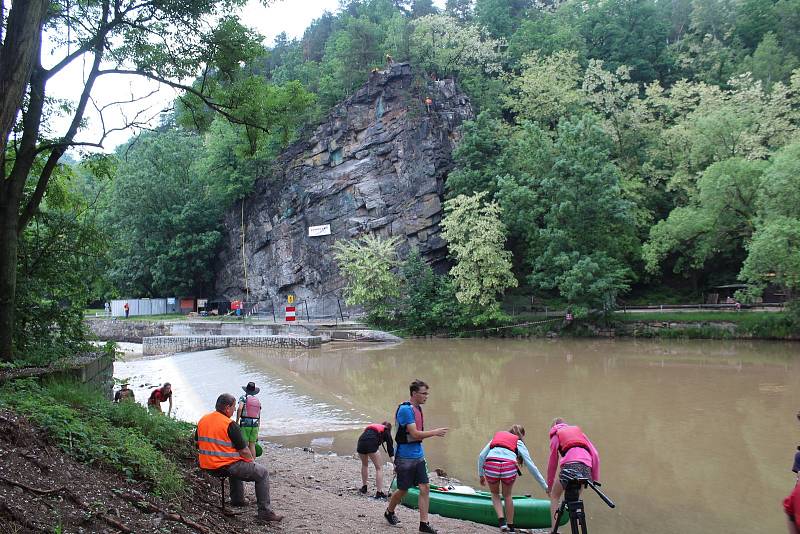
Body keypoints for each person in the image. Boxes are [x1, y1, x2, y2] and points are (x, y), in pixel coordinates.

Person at [196, 393, 284, 523]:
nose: (235, 410)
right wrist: (252, 463)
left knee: (235, 463)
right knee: (262, 473)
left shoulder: (203, 420)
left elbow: (197, 443)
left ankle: (237, 500)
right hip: (224, 466)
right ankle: (265, 512)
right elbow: (244, 451)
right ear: (227, 408)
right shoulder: (229, 424)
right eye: (233, 407)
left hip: (206, 465)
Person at [384, 379, 448, 534]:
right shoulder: (406, 410)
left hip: (418, 455)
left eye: (427, 393)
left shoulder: (417, 408)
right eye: (423, 393)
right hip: (405, 456)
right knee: (403, 489)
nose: (426, 396)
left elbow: (416, 436)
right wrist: (435, 432)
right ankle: (389, 512)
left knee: (424, 487)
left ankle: (423, 524)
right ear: (414, 393)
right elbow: (414, 433)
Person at [478, 424, 548, 532]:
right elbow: (531, 467)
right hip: (508, 466)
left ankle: (502, 522)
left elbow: (482, 456)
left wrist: (481, 474)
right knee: (507, 495)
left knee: (495, 494)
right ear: (521, 436)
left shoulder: (496, 438)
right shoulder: (518, 442)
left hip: (492, 464)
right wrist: (545, 486)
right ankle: (510, 526)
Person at [546, 418, 600, 522]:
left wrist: (549, 485)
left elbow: (552, 463)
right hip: (586, 467)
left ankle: (554, 530)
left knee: (554, 495)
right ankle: (575, 522)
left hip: (570, 466)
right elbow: (595, 455)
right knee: (575, 500)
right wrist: (595, 478)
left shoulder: (556, 435)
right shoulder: (580, 434)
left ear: (553, 427)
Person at [357, 421, 394, 499]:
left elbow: (367, 436)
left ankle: (364, 488)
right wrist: (395, 464)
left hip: (361, 442)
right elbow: (390, 450)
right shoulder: (386, 430)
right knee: (379, 468)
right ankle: (379, 493)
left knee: (364, 464)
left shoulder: (374, 428)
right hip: (370, 443)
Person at [237, 382, 262, 458]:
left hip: (245, 423)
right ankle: (253, 462)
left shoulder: (243, 398)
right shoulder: (257, 401)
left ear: (246, 390)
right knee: (252, 444)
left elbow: (240, 408)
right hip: (255, 424)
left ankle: (246, 461)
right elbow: (259, 415)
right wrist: (258, 427)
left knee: (244, 444)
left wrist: (237, 420)